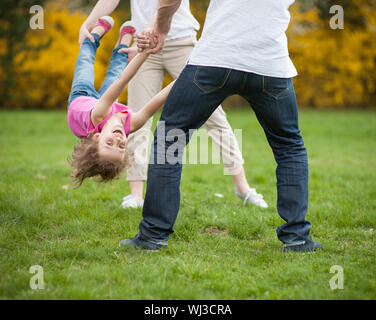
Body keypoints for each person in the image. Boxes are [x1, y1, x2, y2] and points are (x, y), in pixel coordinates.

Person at [120, 0, 322, 252]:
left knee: (169, 139)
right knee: (289, 147)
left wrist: (161, 27)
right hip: (270, 65)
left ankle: (153, 236)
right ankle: (298, 238)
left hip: (215, 60)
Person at [78, 0, 268, 209]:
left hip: (180, 42)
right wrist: (88, 24)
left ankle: (243, 188)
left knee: (214, 117)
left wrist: (152, 29)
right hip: (145, 47)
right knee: (132, 122)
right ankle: (136, 195)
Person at [68, 16, 173, 186]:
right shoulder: (131, 125)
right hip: (110, 107)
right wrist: (185, 75)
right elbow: (158, 99)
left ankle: (93, 37)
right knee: (116, 71)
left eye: (109, 143)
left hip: (81, 97)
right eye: (121, 147)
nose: (118, 140)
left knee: (86, 62)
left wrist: (144, 52)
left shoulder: (99, 116)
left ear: (96, 137)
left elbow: (123, 82)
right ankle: (122, 46)